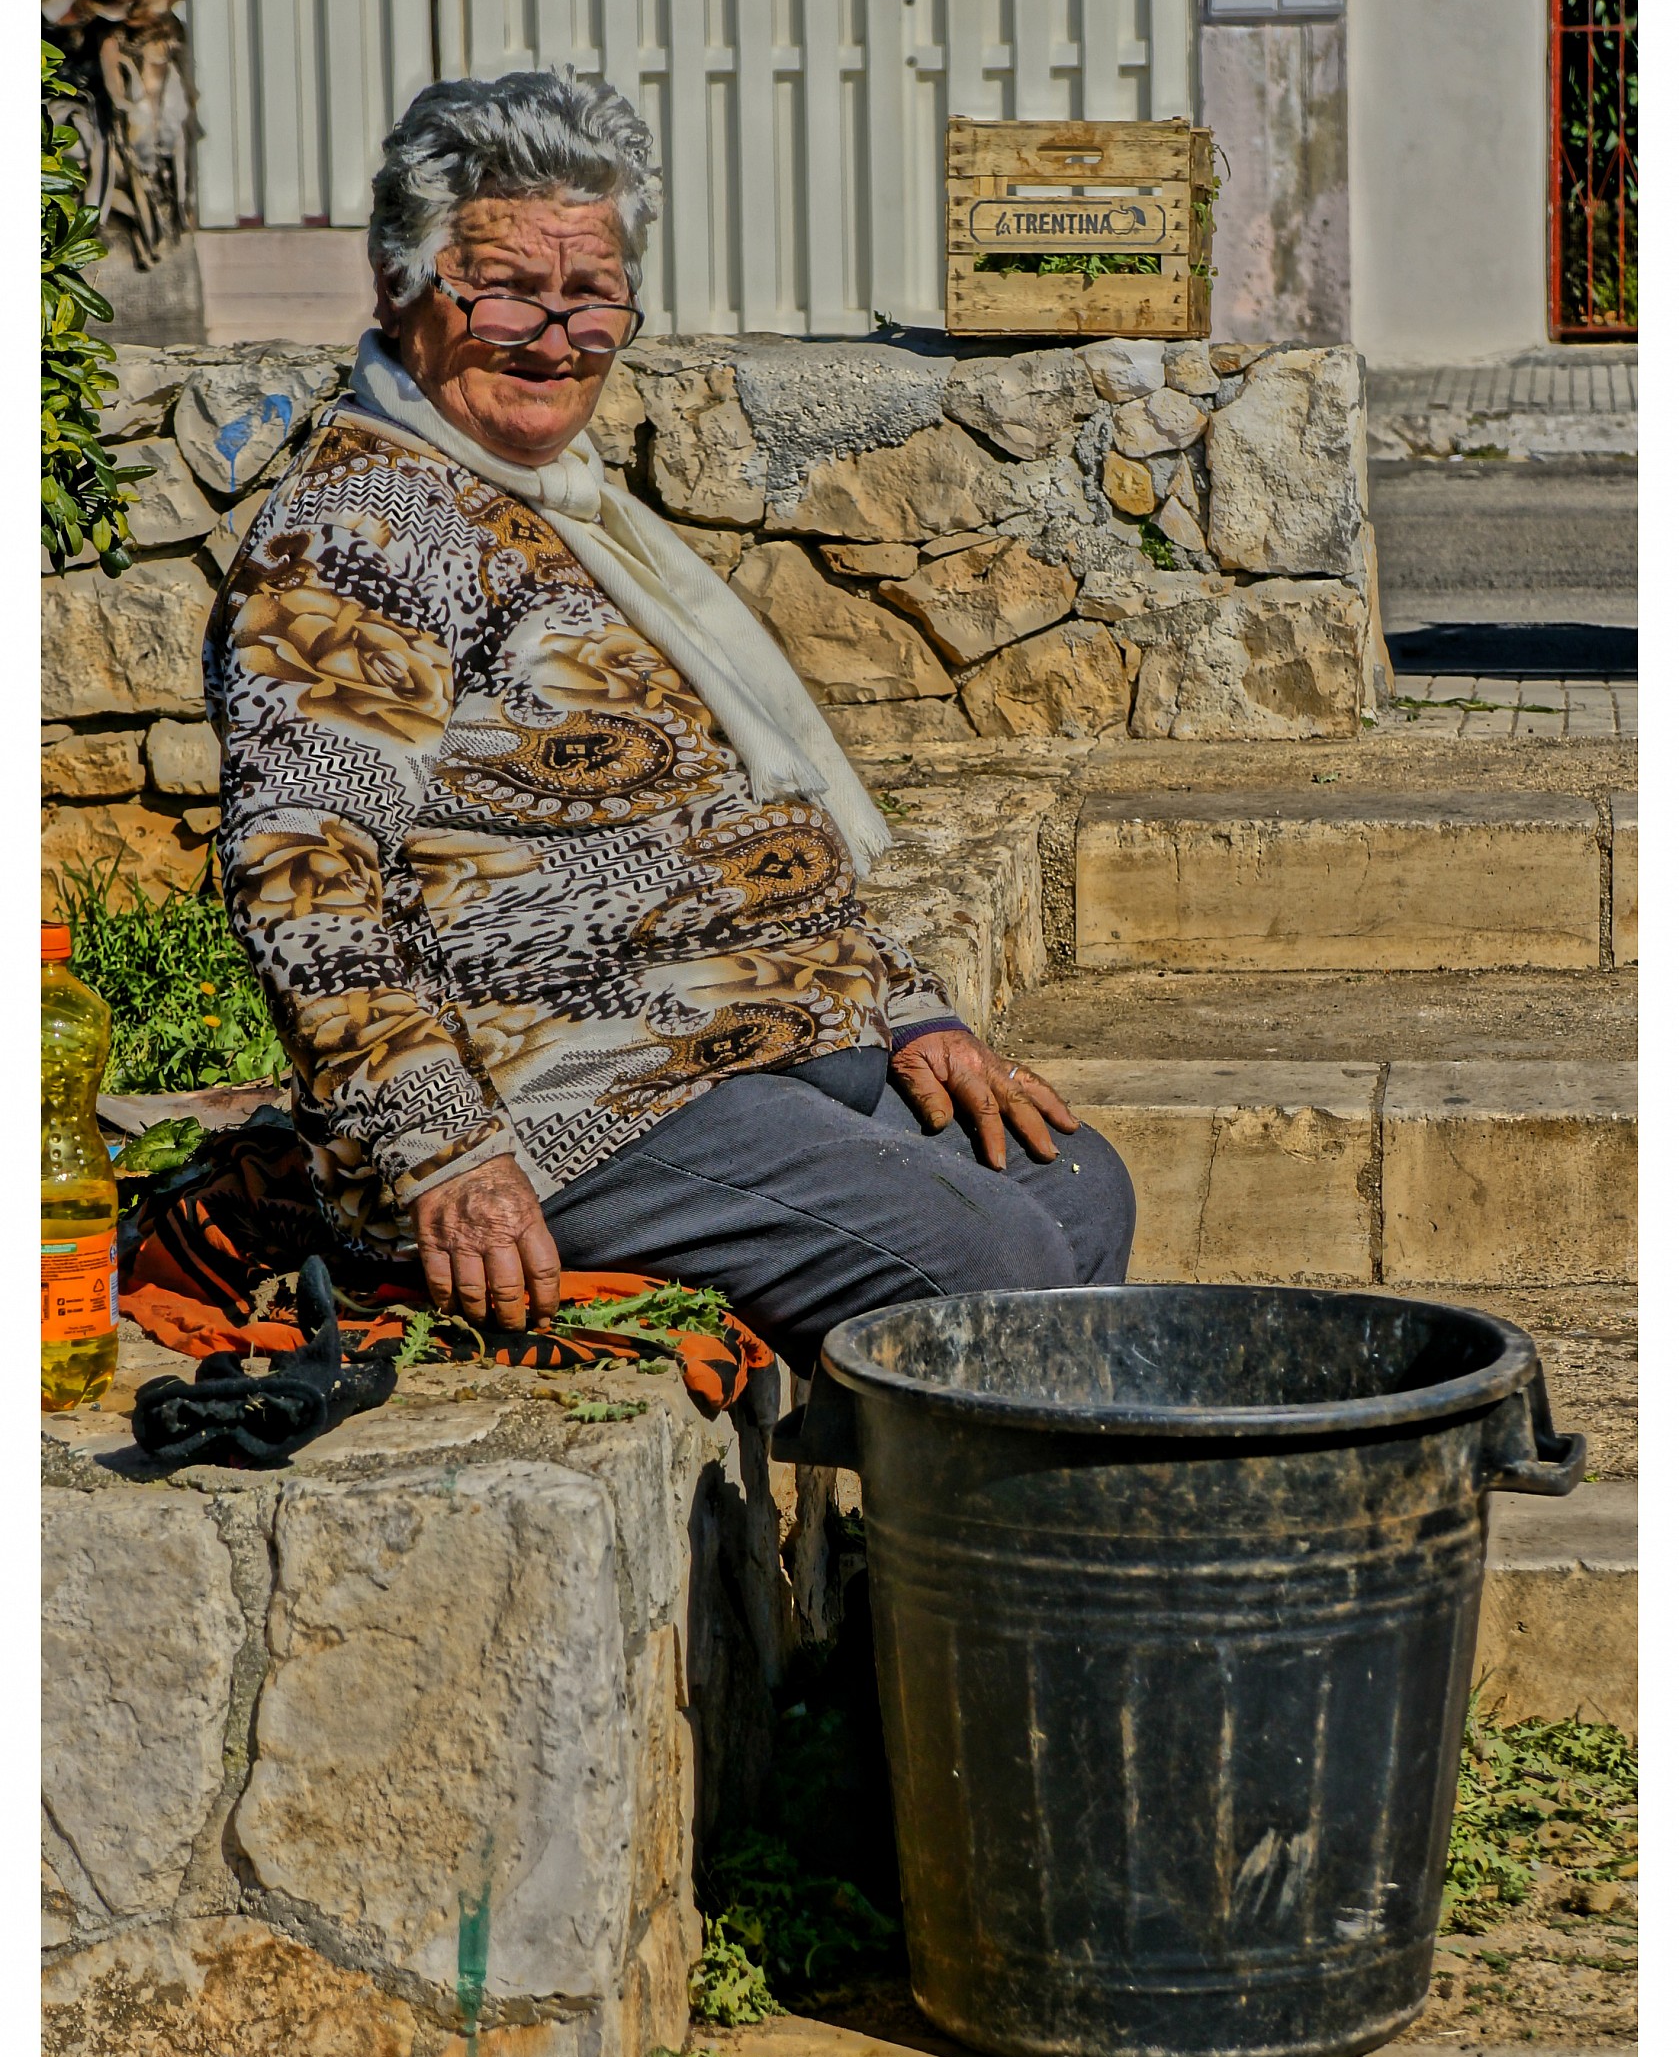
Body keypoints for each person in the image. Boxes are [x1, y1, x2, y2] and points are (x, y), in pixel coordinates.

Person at [204, 69, 1134, 1381]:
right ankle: (1020, 1567)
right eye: (509, 290)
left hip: (752, 1048)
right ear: (400, 293)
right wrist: (444, 1152)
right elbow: (304, 878)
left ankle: (920, 1550)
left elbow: (745, 814)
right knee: (993, 1263)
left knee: (1075, 1185)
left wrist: (914, 1011)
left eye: (591, 296)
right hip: (570, 1098)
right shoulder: (369, 537)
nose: (555, 336)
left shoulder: (565, 512)